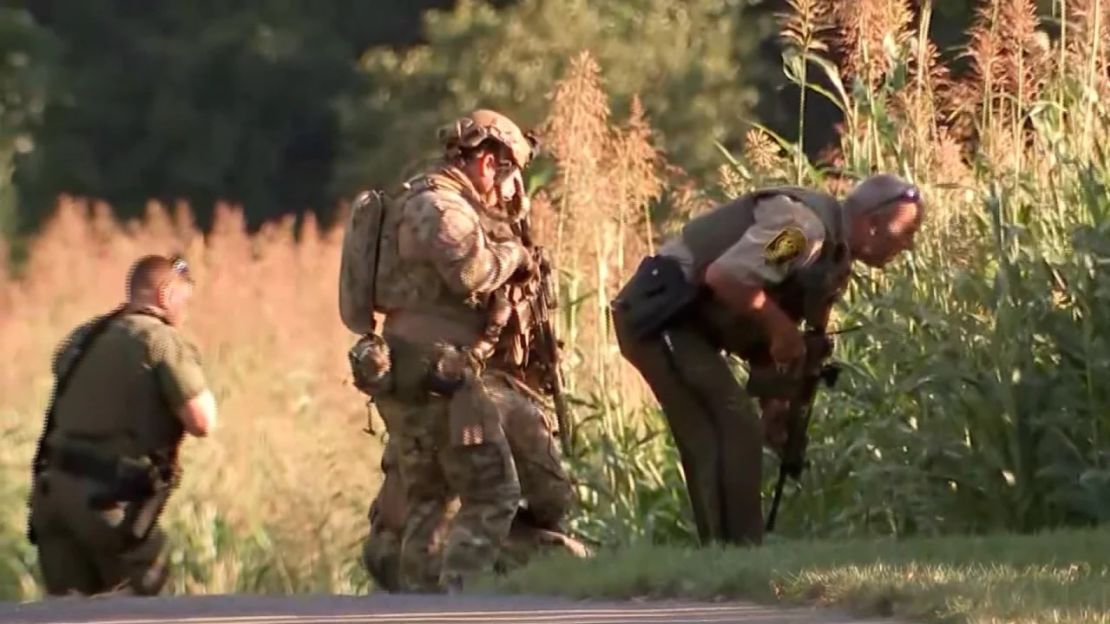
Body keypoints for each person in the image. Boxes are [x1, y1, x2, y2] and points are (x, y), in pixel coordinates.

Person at [610, 174, 924, 547]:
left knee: (731, 425)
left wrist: (777, 398)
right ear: (872, 224)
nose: (908, 245)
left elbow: (766, 323)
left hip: (690, 324)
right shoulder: (801, 233)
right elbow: (728, 277)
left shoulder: (833, 260)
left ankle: (730, 551)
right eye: (904, 233)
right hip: (660, 315)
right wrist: (781, 330)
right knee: (729, 424)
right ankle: (734, 554)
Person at [351, 108, 573, 593]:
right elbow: (471, 273)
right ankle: (458, 596)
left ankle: (420, 596)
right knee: (494, 493)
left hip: (418, 367)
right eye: (510, 173)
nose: (511, 188)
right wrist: (514, 255)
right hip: (439, 372)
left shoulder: (430, 200)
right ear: (487, 162)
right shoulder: (438, 205)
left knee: (431, 497)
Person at [27, 254, 218, 596]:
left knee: (65, 614)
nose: (185, 313)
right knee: (147, 603)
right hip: (106, 506)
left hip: (52, 498)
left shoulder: (83, 336)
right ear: (165, 296)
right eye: (183, 301)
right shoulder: (160, 340)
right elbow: (202, 421)